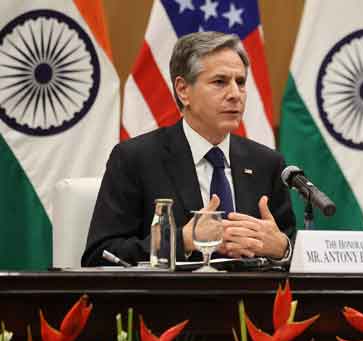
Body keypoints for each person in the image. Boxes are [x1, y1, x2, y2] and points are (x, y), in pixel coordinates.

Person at [82, 32, 295, 267]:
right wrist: (181, 240)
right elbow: (99, 255)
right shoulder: (135, 159)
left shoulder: (266, 163)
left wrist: (282, 248)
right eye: (220, 82)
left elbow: (293, 248)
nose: (235, 94)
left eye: (241, 82)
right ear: (183, 90)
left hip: (253, 301)